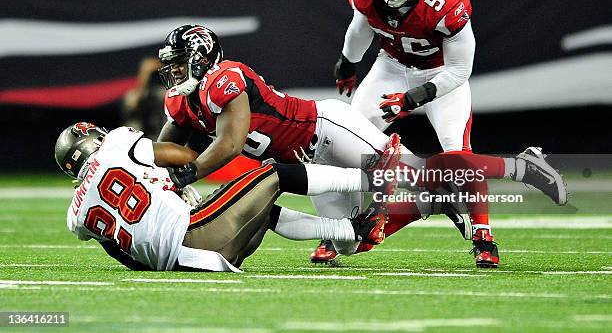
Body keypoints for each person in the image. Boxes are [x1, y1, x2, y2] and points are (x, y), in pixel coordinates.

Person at [155, 24, 567, 267]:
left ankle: (524, 167)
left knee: (417, 174)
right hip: (308, 162)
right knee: (354, 240)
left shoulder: (227, 77)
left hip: (327, 127)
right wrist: (146, 167)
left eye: (178, 63)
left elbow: (230, 143)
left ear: (202, 59)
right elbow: (165, 148)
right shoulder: (180, 100)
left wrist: (190, 173)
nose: (172, 73)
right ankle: (438, 203)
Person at [332, 0, 501, 267]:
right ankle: (341, 231)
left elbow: (459, 71)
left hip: (440, 75)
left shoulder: (445, 3)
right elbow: (360, 26)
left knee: (457, 153)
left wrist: (410, 99)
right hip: (391, 66)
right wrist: (348, 62)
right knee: (345, 140)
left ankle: (484, 235)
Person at [55, 122, 411, 271]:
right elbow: (183, 157)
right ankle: (370, 177)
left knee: (261, 209)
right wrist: (170, 179)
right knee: (271, 173)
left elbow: (124, 254)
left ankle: (353, 231)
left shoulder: (75, 217)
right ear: (94, 140)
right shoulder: (118, 141)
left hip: (187, 260)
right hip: (200, 233)